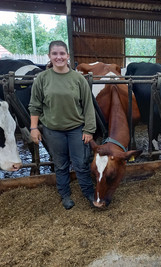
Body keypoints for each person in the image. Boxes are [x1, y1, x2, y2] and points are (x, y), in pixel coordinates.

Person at [28, 40, 96, 210]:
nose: (59, 57)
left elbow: (88, 105)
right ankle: (65, 194)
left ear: (67, 56)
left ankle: (88, 192)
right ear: (49, 56)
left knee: (81, 163)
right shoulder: (42, 79)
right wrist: (34, 128)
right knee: (60, 164)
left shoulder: (78, 79)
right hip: (53, 130)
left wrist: (89, 129)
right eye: (55, 54)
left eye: (62, 54)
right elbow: (35, 105)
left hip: (76, 129)